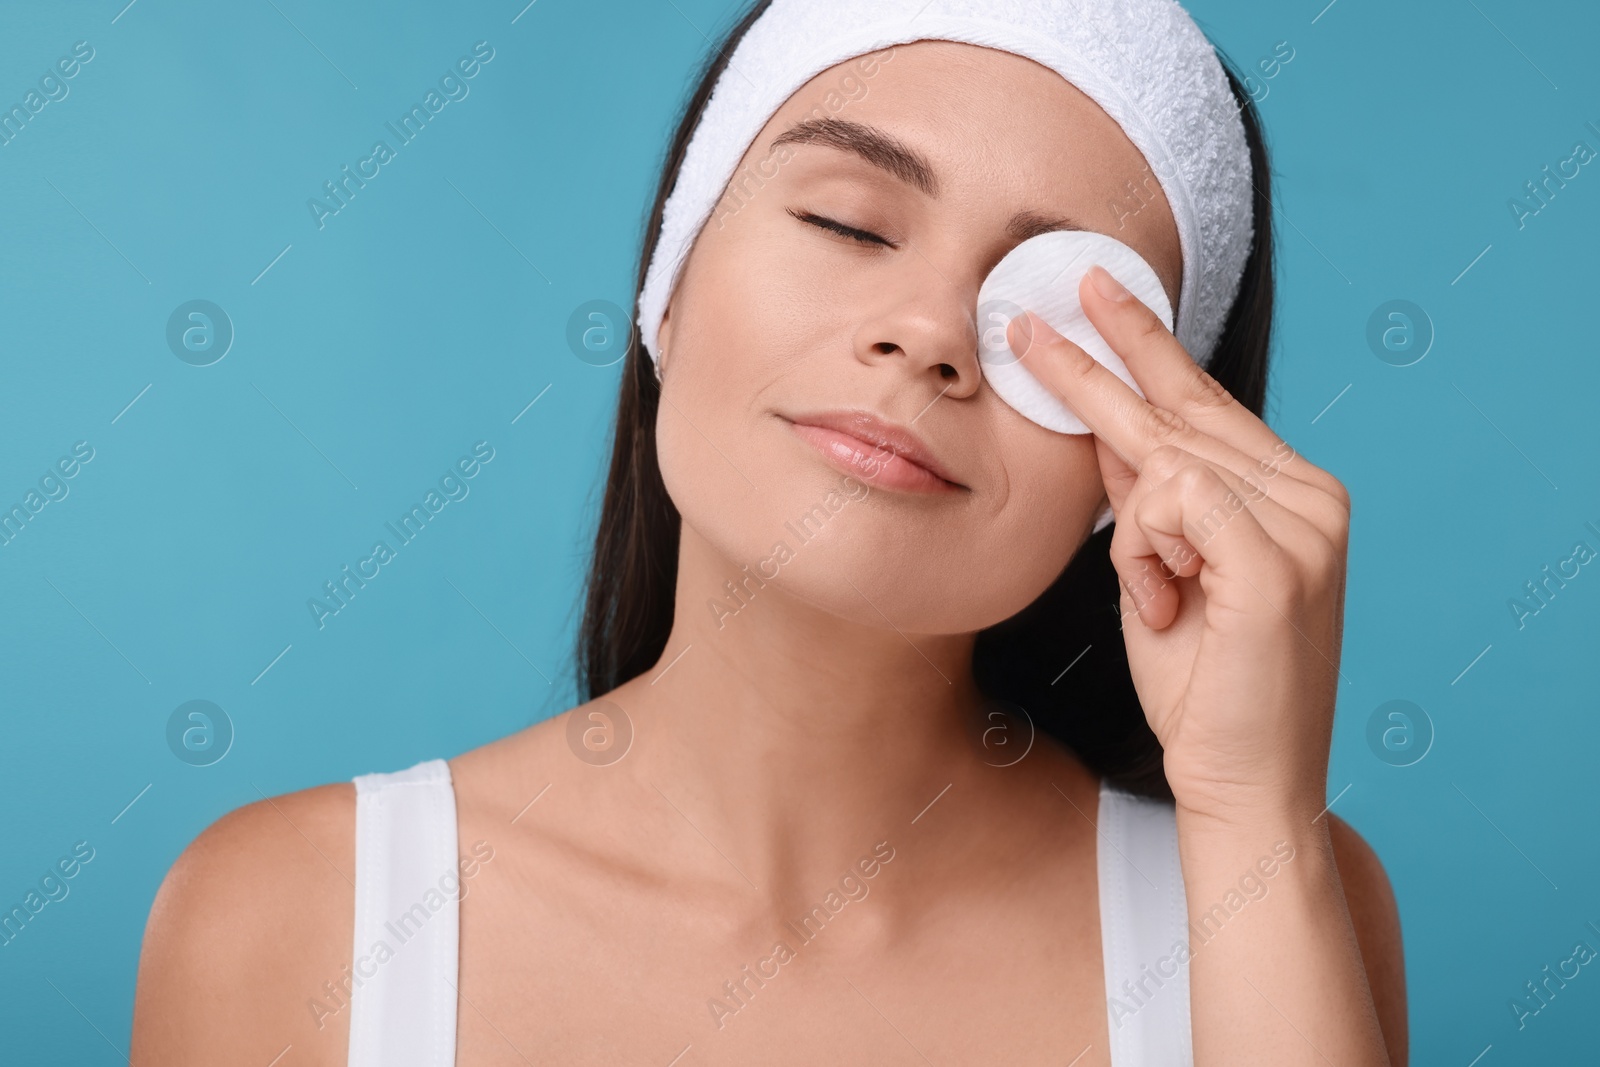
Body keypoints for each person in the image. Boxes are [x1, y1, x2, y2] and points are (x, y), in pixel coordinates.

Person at [131, 1, 1406, 1063]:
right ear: (667, 292)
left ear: (1134, 467)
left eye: (1059, 320)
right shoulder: (292, 921)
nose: (929, 334)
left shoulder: (1270, 895)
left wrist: (1250, 816)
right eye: (848, 223)